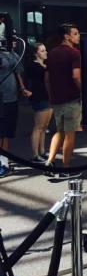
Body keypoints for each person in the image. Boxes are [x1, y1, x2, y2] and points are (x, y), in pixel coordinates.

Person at [45, 23, 82, 168]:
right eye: (75, 33)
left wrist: (50, 95)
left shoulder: (52, 52)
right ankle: (66, 167)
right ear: (67, 36)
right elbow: (76, 76)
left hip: (56, 99)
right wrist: (83, 92)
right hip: (71, 99)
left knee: (59, 131)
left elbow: (47, 77)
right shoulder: (75, 53)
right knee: (70, 134)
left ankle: (50, 161)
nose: (78, 36)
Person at [0, 42, 31, 178]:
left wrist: (23, 88)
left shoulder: (13, 55)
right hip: (2, 98)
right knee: (2, 132)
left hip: (10, 98)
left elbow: (18, 73)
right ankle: (3, 162)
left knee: (6, 132)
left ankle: (4, 161)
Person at [25, 42, 53, 162]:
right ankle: (35, 154)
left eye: (45, 50)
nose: (45, 52)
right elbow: (26, 79)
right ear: (36, 53)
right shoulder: (33, 66)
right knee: (38, 127)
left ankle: (42, 151)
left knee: (44, 127)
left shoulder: (44, 65)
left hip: (47, 97)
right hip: (39, 97)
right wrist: (25, 90)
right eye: (42, 51)